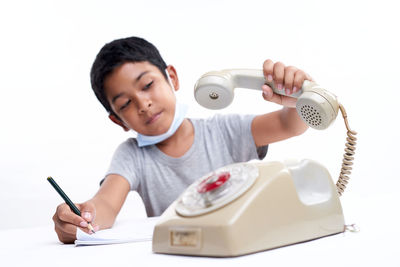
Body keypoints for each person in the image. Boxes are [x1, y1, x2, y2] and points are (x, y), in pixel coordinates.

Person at [52, 36, 310, 243]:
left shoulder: (225, 130)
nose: (144, 104)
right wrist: (84, 215)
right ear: (118, 121)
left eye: (147, 85)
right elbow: (106, 203)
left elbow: (289, 124)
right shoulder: (132, 156)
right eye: (126, 103)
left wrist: (298, 96)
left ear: (171, 78)